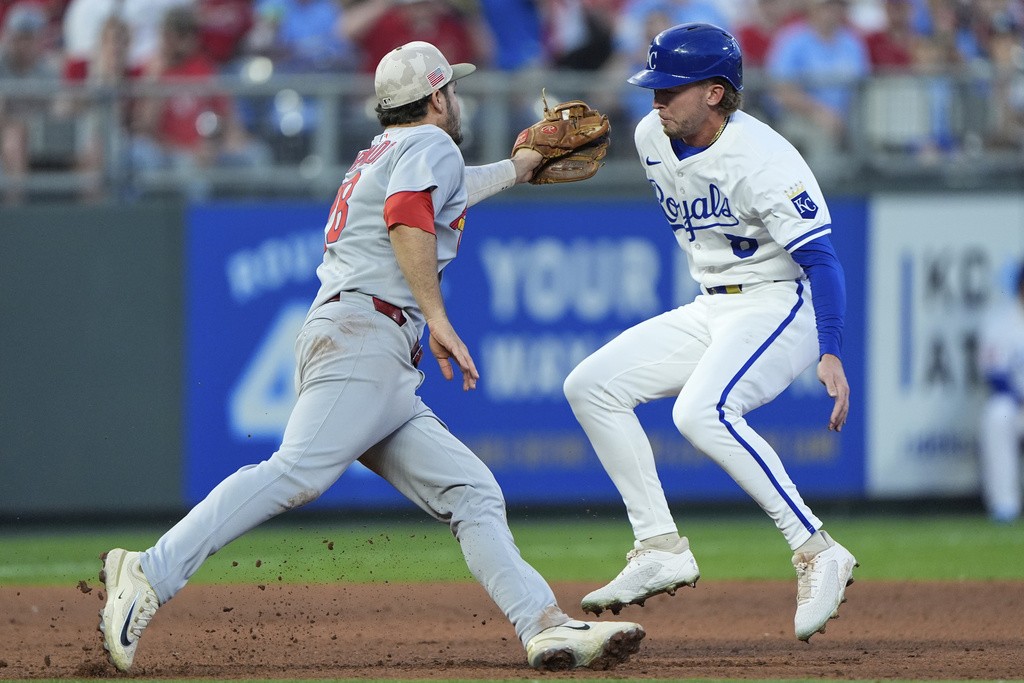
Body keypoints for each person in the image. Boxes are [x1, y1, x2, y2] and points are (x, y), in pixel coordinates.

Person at [97, 39, 646, 674]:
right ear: (438, 96)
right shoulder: (431, 144)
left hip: (366, 345)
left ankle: (544, 626)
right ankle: (150, 572)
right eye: (453, 90)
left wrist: (519, 167)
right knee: (296, 472)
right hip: (366, 336)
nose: (457, 100)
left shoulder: (385, 151)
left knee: (471, 492)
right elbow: (408, 214)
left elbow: (445, 191)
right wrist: (438, 317)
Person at [562, 22, 858, 642]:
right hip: (713, 303)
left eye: (672, 88)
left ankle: (816, 547)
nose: (657, 99)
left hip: (782, 302)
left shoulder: (765, 159)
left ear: (716, 93)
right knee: (591, 386)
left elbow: (823, 261)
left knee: (701, 413)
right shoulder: (650, 135)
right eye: (653, 86)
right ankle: (659, 546)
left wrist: (830, 349)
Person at [763, 0, 869, 180]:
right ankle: (824, 196)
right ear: (812, 8)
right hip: (798, 116)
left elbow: (863, 87)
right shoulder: (792, 39)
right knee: (819, 139)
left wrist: (842, 116)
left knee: (870, 134)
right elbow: (781, 90)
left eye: (838, 5)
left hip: (846, 115)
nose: (832, 11)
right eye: (827, 5)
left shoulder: (852, 42)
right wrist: (821, 113)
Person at [977, 261, 1024, 524]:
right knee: (997, 414)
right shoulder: (1002, 321)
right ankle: (1005, 506)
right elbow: (995, 374)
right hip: (1017, 407)